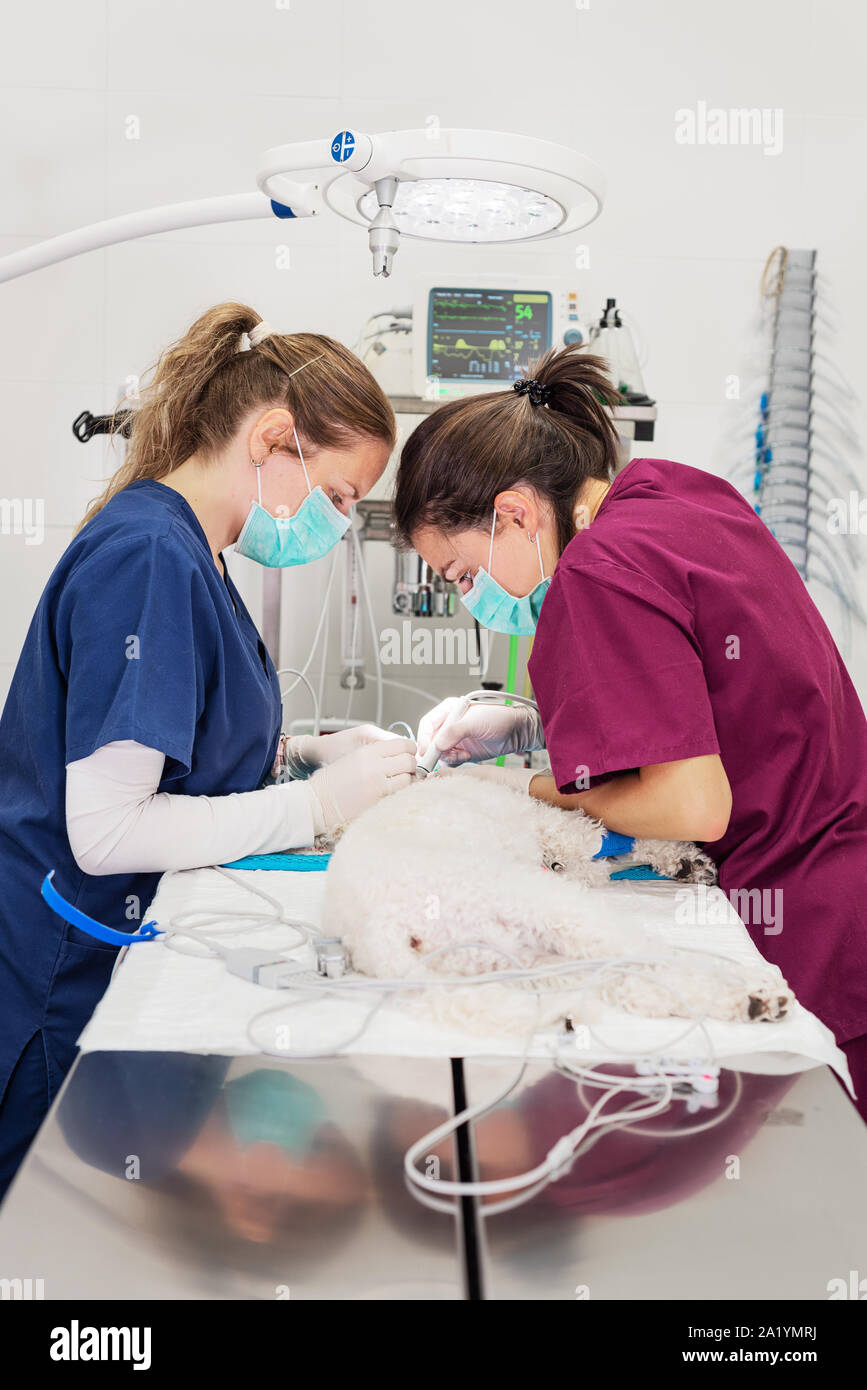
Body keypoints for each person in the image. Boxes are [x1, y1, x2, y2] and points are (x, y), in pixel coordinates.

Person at [0, 303, 416, 1200]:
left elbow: (182, 750)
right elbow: (107, 832)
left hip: (112, 944)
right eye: (339, 496)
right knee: (40, 1216)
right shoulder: (150, 555)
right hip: (60, 969)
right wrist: (316, 805)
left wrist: (304, 753)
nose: (339, 523)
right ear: (271, 438)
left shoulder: (196, 549)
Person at [397, 345, 867, 1122]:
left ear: (514, 513)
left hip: (810, 920)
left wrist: (529, 787)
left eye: (461, 574)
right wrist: (531, 729)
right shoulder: (673, 493)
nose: (473, 595)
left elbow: (692, 806)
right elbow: (707, 692)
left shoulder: (595, 569)